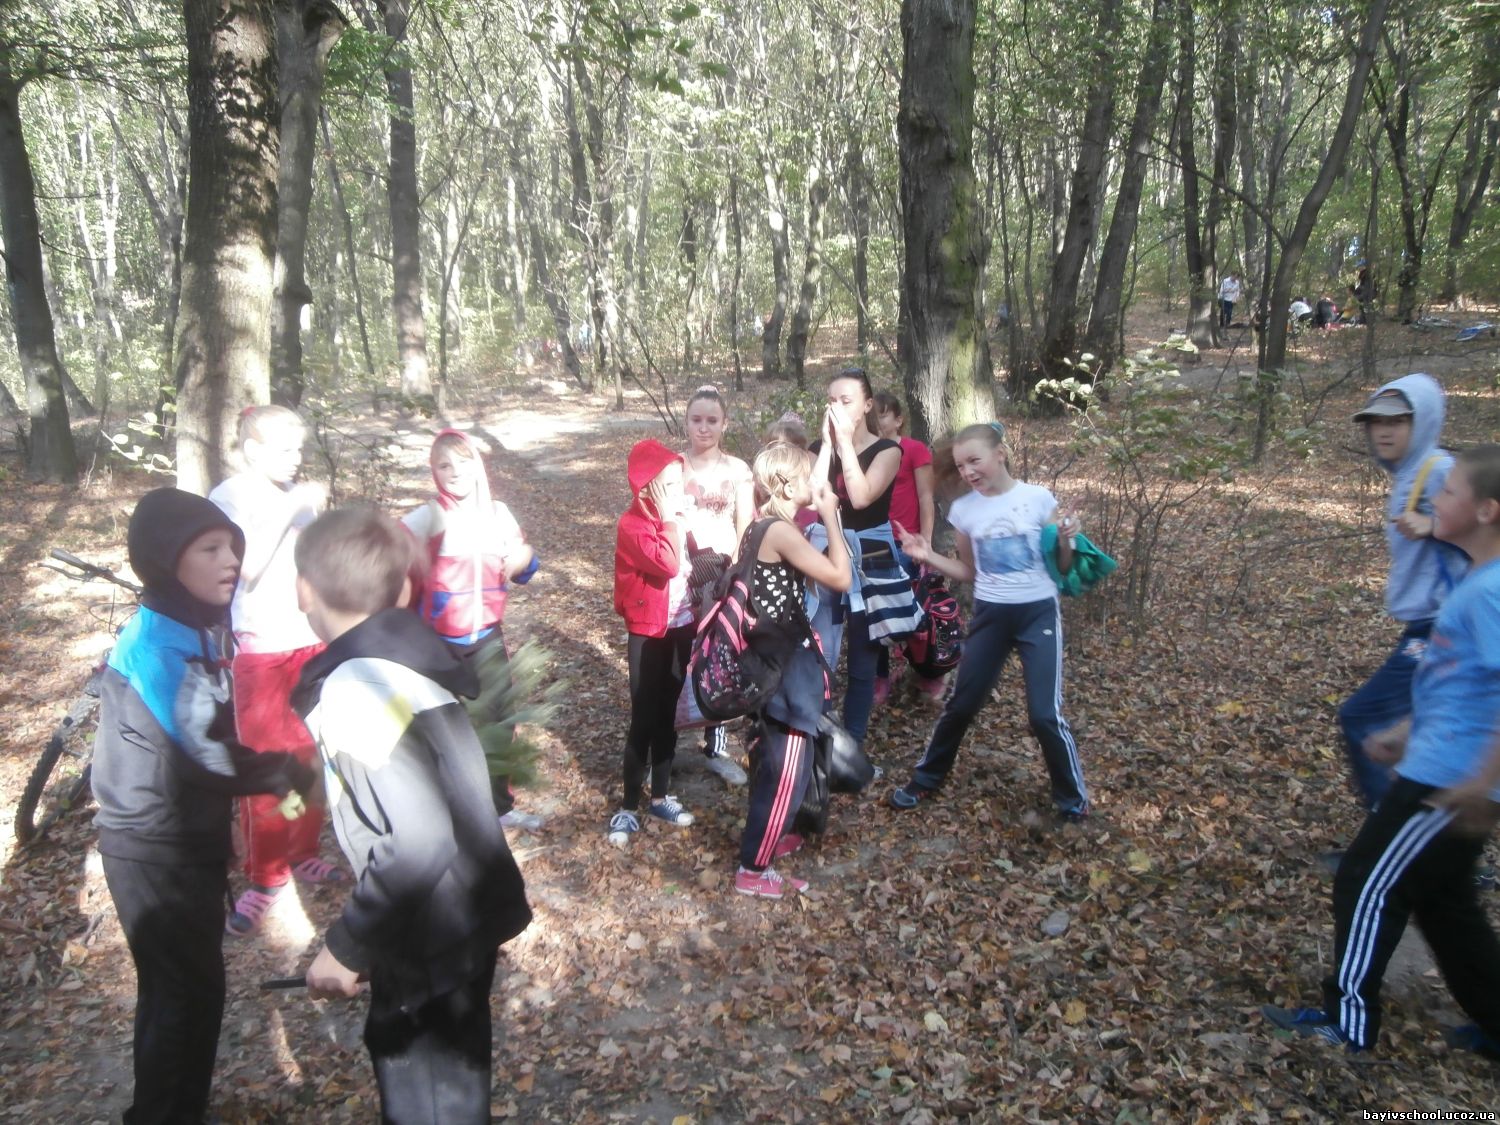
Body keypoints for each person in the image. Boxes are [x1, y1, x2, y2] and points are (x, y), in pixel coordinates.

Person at [290, 509, 531, 1123]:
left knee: (426, 1094)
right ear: (403, 592)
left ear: (304, 591)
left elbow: (420, 837)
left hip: (426, 934)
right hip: (465, 917)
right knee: (456, 1085)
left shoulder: (356, 689)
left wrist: (348, 946)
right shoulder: (409, 664)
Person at [1262, 445, 1500, 1059]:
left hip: (1448, 782)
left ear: (1487, 510)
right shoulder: (1478, 579)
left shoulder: (1492, 590)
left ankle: (1347, 1023)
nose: (1435, 499)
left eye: (1449, 491)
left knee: (1365, 882)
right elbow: (1467, 683)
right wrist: (1407, 730)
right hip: (1439, 763)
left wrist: (1481, 781)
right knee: (1446, 905)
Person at [93, 488, 315, 1124]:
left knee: (195, 989)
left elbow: (214, 733)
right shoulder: (158, 646)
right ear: (167, 559)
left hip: (184, 835)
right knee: (180, 996)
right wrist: (285, 773)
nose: (230, 562)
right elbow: (205, 754)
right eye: (210, 549)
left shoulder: (193, 625)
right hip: (153, 848)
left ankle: (177, 1110)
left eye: (232, 548)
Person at [888, 422, 1090, 821]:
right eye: (961, 465)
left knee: (1044, 715)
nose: (967, 472)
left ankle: (1072, 800)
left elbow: (1063, 567)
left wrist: (1068, 537)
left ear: (1000, 454)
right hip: (991, 617)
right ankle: (925, 779)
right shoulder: (964, 511)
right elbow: (970, 572)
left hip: (1037, 614)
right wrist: (927, 556)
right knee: (961, 704)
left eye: (974, 461)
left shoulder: (1037, 499)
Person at [208, 405, 342, 937]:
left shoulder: (297, 497)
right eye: (284, 449)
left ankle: (302, 851)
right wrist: (293, 507)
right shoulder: (230, 497)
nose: (296, 458)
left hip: (309, 643)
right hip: (262, 651)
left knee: (308, 758)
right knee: (267, 766)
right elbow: (246, 568)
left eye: (299, 448)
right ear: (251, 450)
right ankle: (266, 874)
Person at [1337, 375, 1466, 814]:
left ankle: (1391, 828)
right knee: (1422, 734)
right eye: (1376, 422)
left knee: (1363, 717)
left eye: (1397, 421)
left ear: (1422, 422)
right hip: (1426, 625)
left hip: (1444, 628)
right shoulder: (1411, 473)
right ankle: (1432, 830)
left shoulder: (1440, 471)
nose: (1384, 431)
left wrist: (1435, 526)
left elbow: (1490, 522)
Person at [402, 429, 542, 831]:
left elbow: (524, 569)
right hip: (439, 644)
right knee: (447, 730)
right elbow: (387, 554)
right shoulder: (430, 516)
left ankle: (500, 808)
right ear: (434, 472)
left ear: (478, 466)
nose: (454, 472)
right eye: (443, 465)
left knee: (499, 722)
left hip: (486, 638)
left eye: (462, 463)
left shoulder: (498, 514)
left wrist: (525, 556)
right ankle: (451, 814)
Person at [734, 442, 852, 899]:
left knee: (784, 764)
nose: (817, 484)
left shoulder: (764, 524)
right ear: (786, 486)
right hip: (785, 669)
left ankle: (770, 837)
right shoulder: (780, 532)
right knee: (786, 771)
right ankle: (753, 870)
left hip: (777, 660)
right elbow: (840, 577)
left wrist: (830, 436)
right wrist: (832, 517)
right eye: (808, 478)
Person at [608, 439, 697, 846]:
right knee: (643, 718)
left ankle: (660, 797)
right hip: (648, 632)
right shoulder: (633, 526)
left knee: (668, 716)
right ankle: (628, 806)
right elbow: (669, 563)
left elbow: (692, 561)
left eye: (680, 483)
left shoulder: (677, 517)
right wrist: (670, 521)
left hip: (681, 626)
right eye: (670, 485)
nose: (679, 491)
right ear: (647, 488)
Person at [808, 368, 903, 752]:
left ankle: (854, 749)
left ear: (866, 405)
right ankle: (818, 743)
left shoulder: (888, 451)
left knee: (864, 657)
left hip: (873, 551)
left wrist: (846, 444)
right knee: (820, 649)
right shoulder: (819, 448)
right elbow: (811, 494)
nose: (836, 408)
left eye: (845, 401)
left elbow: (862, 497)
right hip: (825, 547)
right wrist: (827, 445)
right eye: (831, 401)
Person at [680, 386, 755, 784]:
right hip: (681, 574)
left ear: (725, 423)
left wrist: (739, 571)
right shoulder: (674, 467)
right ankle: (666, 742)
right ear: (686, 422)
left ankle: (717, 746)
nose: (704, 427)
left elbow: (746, 523)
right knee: (678, 655)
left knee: (720, 656)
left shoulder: (738, 469)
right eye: (697, 419)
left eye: (712, 420)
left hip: (724, 574)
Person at [871, 392, 942, 703]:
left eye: (883, 414)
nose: (877, 421)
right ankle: (880, 676)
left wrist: (925, 541)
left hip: (906, 544)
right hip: (873, 543)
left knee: (913, 610)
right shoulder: (866, 451)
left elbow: (926, 497)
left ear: (898, 419)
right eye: (873, 415)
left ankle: (927, 672)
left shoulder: (913, 450)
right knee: (874, 613)